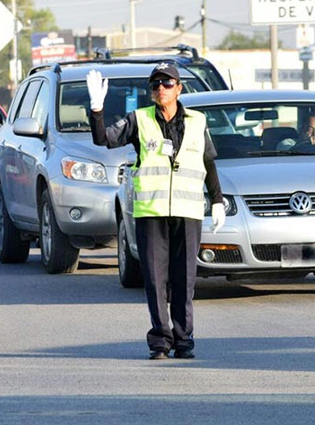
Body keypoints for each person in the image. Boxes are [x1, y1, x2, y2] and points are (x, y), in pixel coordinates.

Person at [88, 62, 225, 360]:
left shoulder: (198, 121)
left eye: (166, 83)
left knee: (184, 279)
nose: (160, 89)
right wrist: (96, 110)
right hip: (151, 213)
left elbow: (208, 162)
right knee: (154, 280)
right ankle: (160, 340)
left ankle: (184, 340)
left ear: (179, 88)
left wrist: (217, 200)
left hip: (187, 213)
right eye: (155, 85)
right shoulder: (138, 120)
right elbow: (103, 139)